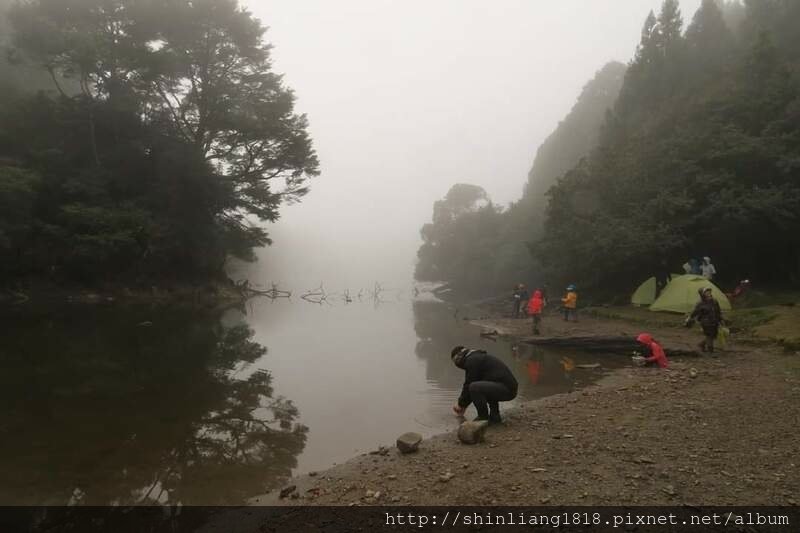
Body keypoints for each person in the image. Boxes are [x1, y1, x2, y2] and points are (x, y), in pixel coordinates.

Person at [450, 346, 518, 424]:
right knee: (483, 387)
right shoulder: (476, 358)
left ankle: (482, 417)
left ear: (460, 357)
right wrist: (463, 405)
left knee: (474, 387)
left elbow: (468, 385)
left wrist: (461, 405)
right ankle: (495, 417)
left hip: (507, 389)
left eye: (456, 361)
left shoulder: (472, 361)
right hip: (507, 388)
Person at [686, 287, 724, 354]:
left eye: (709, 291)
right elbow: (695, 312)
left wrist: (721, 319)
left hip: (715, 321)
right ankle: (711, 351)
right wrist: (689, 318)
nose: (708, 293)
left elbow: (718, 311)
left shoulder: (714, 301)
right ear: (702, 294)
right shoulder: (700, 303)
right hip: (705, 322)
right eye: (706, 292)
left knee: (713, 335)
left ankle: (701, 344)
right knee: (709, 335)